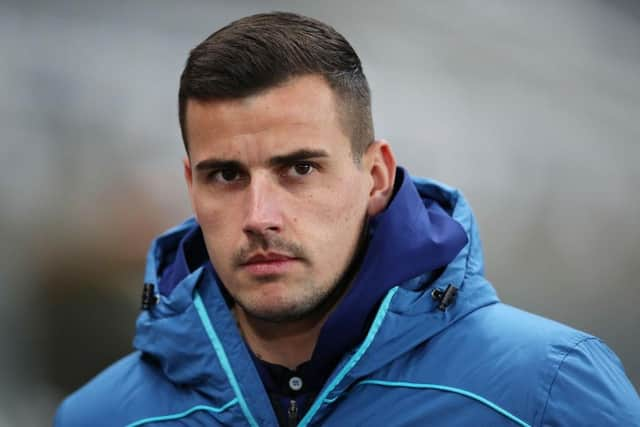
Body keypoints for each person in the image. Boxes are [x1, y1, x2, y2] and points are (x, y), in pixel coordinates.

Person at [54, 11, 640, 427]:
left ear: (377, 177)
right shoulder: (100, 415)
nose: (260, 216)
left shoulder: (548, 390)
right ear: (191, 185)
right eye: (226, 176)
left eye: (300, 169)